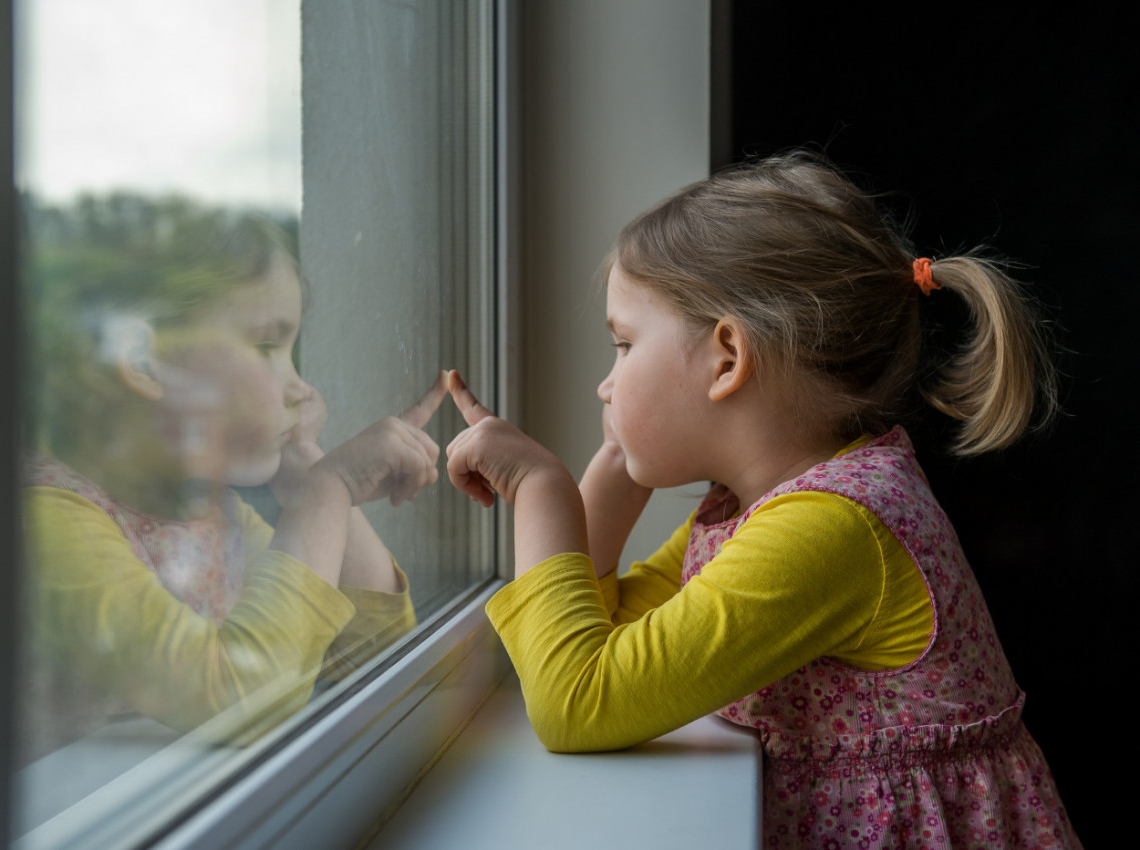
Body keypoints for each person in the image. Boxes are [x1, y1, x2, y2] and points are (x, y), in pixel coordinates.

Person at [443, 152, 1080, 848]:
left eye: (623, 345)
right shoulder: (753, 510)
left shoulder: (830, 529)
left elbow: (577, 701)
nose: (605, 384)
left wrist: (540, 490)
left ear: (725, 357)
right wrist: (616, 466)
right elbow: (600, 633)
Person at [21, 198, 444, 758]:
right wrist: (329, 490)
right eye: (267, 345)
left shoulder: (213, 518)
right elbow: (239, 700)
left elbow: (375, 655)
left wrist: (309, 470)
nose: (301, 389)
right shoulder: (48, 521)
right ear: (146, 362)